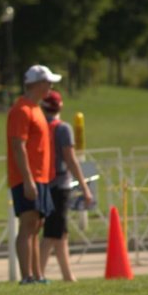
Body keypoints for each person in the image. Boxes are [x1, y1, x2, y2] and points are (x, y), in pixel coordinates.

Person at [7, 65, 57, 285]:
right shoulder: (22, 110)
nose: (50, 87)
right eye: (47, 83)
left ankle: (38, 275)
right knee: (28, 224)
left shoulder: (35, 109)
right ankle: (27, 276)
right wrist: (27, 180)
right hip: (28, 177)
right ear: (36, 84)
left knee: (36, 225)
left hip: (41, 177)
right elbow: (18, 146)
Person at [39, 90, 92, 282]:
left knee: (61, 233)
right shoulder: (63, 129)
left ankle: (68, 275)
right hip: (60, 184)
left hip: (43, 183)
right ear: (60, 107)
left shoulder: (39, 127)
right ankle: (38, 275)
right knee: (52, 234)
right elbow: (70, 159)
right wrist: (85, 187)